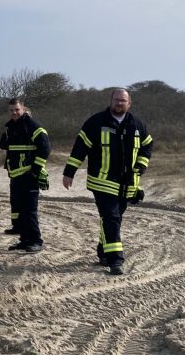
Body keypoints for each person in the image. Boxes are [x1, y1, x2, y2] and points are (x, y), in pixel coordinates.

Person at [62, 88, 153, 276]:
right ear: (110, 101)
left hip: (127, 184)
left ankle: (103, 251)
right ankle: (115, 260)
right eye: (116, 100)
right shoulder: (95, 122)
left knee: (113, 219)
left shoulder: (138, 125)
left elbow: (147, 145)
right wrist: (69, 172)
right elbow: (80, 148)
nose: (119, 103)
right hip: (101, 182)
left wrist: (141, 166)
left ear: (129, 103)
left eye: (123, 100)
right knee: (111, 218)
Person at [0, 98, 50, 252]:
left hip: (28, 175)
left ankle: (36, 241)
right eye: (11, 110)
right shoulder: (11, 127)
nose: (14, 113)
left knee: (30, 210)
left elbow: (45, 148)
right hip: (15, 176)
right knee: (20, 209)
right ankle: (24, 240)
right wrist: (7, 131)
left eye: (17, 110)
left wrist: (35, 170)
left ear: (23, 109)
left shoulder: (32, 126)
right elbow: (2, 145)